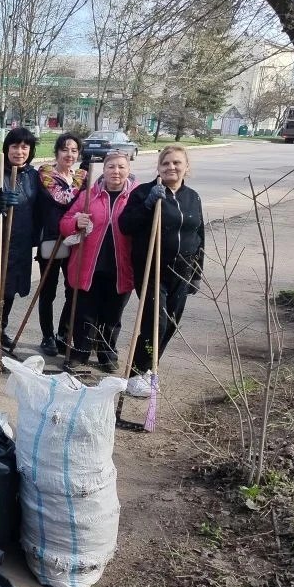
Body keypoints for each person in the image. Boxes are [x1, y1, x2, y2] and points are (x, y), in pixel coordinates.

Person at [119, 144, 205, 398]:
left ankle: (149, 368)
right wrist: (147, 204)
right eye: (165, 163)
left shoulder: (193, 197)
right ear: (158, 167)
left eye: (177, 163)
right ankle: (135, 374)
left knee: (171, 324)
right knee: (156, 322)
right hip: (151, 269)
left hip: (182, 271)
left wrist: (197, 273)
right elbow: (125, 225)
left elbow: (199, 235)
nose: (171, 167)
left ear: (186, 167)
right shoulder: (144, 192)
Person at [59, 150, 138, 373]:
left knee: (112, 315)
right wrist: (76, 223)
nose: (116, 171)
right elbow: (64, 223)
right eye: (111, 166)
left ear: (128, 170)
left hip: (121, 268)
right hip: (88, 267)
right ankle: (80, 352)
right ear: (103, 170)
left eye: (121, 167)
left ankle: (107, 354)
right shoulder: (89, 195)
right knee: (85, 313)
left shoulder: (136, 197)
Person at [0, 127, 50, 352]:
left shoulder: (33, 176)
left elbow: (41, 206)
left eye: (24, 147)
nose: (19, 151)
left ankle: (0, 328)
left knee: (10, 289)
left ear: (31, 150)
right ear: (6, 149)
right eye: (15, 146)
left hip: (21, 242)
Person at [36, 133, 87, 356]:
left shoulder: (80, 176)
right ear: (57, 152)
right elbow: (63, 198)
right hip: (51, 239)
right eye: (65, 149)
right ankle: (47, 336)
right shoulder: (46, 173)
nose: (70, 154)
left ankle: (63, 334)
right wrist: (82, 179)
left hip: (74, 239)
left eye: (74, 150)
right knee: (48, 290)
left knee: (72, 288)